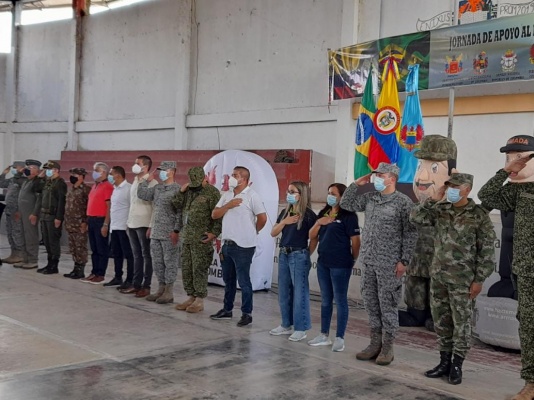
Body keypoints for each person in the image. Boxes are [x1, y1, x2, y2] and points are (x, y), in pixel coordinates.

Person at [411, 172, 495, 385]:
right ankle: (444, 362)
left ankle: (457, 365)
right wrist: (434, 198)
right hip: (438, 276)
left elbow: (486, 251)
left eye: (456, 187)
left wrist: (479, 280)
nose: (451, 190)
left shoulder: (478, 215)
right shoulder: (441, 209)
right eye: (449, 187)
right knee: (441, 321)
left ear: (467, 189)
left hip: (463, 280)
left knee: (462, 323)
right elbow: (415, 218)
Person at [340, 162, 417, 365]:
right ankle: (374, 343)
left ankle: (388, 347)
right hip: (369, 260)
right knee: (371, 304)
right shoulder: (371, 198)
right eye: (375, 175)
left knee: (388, 304)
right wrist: (356, 184)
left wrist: (404, 261)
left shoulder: (403, 202)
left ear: (392, 178)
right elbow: (346, 204)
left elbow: (410, 233)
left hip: (390, 263)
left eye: (380, 175)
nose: (376, 179)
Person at [478, 135, 534, 399]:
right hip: (523, 271)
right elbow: (486, 195)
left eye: (519, 156)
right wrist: (505, 171)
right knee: (528, 328)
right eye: (509, 156)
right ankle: (531, 384)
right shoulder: (518, 190)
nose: (513, 160)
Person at [399, 135, 458, 331]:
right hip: (417, 259)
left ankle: (437, 315)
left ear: (453, 174)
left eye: (434, 169)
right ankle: (415, 312)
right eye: (420, 168)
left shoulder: (456, 209)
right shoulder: (416, 208)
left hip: (441, 264)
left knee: (438, 287)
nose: (422, 177)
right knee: (415, 281)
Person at [210, 166, 267, 327]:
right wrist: (229, 205)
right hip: (227, 244)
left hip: (244, 246)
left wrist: (253, 231)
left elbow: (262, 218)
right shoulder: (227, 195)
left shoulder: (252, 196)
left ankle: (246, 313)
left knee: (244, 281)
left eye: (235, 175)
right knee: (228, 280)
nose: (231, 178)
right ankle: (227, 310)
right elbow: (215, 214)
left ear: (243, 178)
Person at [307, 183, 360, 351]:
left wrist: (352, 259)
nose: (330, 196)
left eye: (333, 193)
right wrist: (318, 223)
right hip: (323, 263)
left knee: (341, 300)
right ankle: (324, 335)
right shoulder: (323, 213)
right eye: (328, 193)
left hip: (341, 264)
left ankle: (339, 337)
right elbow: (312, 235)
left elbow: (356, 241)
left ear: (342, 196)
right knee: (325, 300)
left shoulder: (349, 216)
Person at [269, 181, 318, 342]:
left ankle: (301, 327)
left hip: (299, 254)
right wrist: (284, 222)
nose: (288, 194)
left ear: (301, 194)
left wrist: (305, 254)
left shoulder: (309, 215)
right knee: (283, 291)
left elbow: (313, 238)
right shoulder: (285, 212)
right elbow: (273, 232)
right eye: (288, 190)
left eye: (292, 191)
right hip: (284, 253)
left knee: (300, 293)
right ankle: (285, 324)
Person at [137, 161, 181, 304]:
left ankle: (169, 291)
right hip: (156, 232)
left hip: (169, 233)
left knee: (170, 262)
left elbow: (180, 212)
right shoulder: (157, 188)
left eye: (164, 170)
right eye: (160, 170)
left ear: (172, 171)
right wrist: (145, 180)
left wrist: (176, 230)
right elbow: (142, 194)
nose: (161, 172)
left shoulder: (178, 190)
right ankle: (161, 288)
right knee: (157, 262)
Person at [123, 155, 157, 298]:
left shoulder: (152, 183)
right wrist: (128, 222)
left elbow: (155, 207)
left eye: (137, 163)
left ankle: (146, 285)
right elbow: (133, 203)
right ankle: (136, 284)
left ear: (146, 166)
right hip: (132, 222)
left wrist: (151, 226)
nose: (134, 165)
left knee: (146, 255)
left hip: (144, 223)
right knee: (136, 255)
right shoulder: (136, 180)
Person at [81, 162, 113, 284]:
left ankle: (100, 273)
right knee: (94, 249)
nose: (94, 172)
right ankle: (94, 271)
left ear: (103, 172)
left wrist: (105, 224)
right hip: (92, 219)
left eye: (96, 170)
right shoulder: (95, 186)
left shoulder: (107, 186)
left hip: (101, 220)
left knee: (101, 248)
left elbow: (108, 206)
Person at [103, 166, 134, 289]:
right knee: (116, 254)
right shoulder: (115, 189)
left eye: (111, 174)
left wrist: (128, 225)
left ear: (119, 175)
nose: (110, 176)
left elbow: (132, 207)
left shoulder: (128, 188)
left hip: (124, 227)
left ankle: (130, 279)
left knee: (128, 254)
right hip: (114, 226)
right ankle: (118, 276)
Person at [37, 161, 67, 275]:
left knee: (53, 241)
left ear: (56, 170)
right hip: (44, 215)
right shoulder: (47, 182)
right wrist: (40, 177)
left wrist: (59, 217)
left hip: (53, 215)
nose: (47, 171)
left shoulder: (60, 183)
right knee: (47, 241)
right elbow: (36, 188)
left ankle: (54, 265)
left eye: (49, 169)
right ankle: (49, 264)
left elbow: (61, 201)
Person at [15, 159, 45, 270]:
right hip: (22, 212)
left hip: (30, 213)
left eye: (31, 168)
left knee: (30, 236)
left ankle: (32, 260)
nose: (28, 170)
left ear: (37, 171)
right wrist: (20, 171)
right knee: (22, 235)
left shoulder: (37, 183)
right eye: (28, 167)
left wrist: (34, 213)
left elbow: (39, 200)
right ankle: (25, 258)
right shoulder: (26, 181)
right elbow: (16, 180)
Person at [63, 167, 91, 279]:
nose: (72, 177)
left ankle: (81, 270)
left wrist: (85, 222)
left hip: (80, 224)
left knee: (80, 247)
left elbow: (88, 207)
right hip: (70, 223)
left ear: (81, 177)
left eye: (75, 175)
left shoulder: (85, 190)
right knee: (73, 247)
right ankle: (75, 268)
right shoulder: (71, 189)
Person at [0, 161, 26, 265]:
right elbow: (1, 184)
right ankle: (13, 254)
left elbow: (25, 197)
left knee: (17, 233)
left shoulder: (23, 180)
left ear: (22, 168)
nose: (13, 169)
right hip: (9, 209)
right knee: (10, 233)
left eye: (16, 167)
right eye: (13, 167)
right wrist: (3, 173)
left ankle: (20, 255)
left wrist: (20, 210)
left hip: (17, 210)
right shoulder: (12, 179)